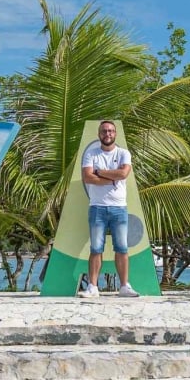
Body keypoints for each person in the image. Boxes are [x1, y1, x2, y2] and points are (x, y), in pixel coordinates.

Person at [81, 120, 139, 298]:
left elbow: (123, 174)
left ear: (116, 134)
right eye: (104, 131)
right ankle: (93, 287)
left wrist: (99, 172)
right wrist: (110, 177)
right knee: (96, 248)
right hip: (97, 207)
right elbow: (87, 177)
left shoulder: (123, 153)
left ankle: (124, 286)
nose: (108, 134)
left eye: (111, 131)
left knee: (121, 247)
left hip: (119, 208)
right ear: (99, 134)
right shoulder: (91, 153)